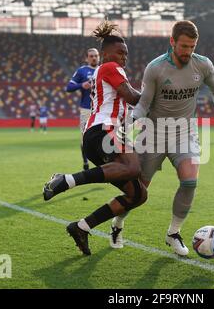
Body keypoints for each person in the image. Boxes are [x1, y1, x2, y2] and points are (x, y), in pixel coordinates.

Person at [110, 20, 214, 255]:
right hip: (153, 133)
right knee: (138, 192)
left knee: (190, 181)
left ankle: (173, 233)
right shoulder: (155, 68)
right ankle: (117, 224)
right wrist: (129, 122)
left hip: (185, 132)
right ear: (172, 42)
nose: (188, 52)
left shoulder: (203, 65)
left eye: (192, 46)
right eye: (184, 46)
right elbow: (143, 104)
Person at [42, 21, 148, 256]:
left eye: (126, 54)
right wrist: (154, 94)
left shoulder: (108, 71)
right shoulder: (110, 67)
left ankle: (81, 227)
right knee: (132, 166)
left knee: (138, 194)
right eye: (120, 52)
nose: (124, 58)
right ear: (105, 54)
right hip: (103, 131)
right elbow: (132, 97)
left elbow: (128, 105)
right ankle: (66, 180)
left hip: (101, 134)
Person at [66, 48, 100, 170]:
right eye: (91, 56)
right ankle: (85, 162)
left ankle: (104, 164)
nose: (94, 58)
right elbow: (69, 87)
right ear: (87, 58)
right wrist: (82, 85)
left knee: (103, 138)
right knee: (85, 139)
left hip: (101, 110)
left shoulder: (103, 69)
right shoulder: (82, 71)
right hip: (86, 109)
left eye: (96, 55)